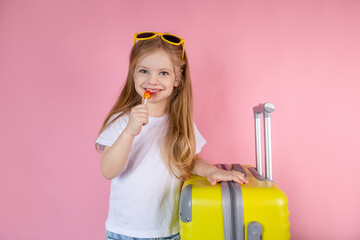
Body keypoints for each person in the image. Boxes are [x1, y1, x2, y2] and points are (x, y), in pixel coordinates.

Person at [96, 32, 248, 240]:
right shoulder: (122, 121)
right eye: (144, 71)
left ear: (178, 79)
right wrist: (129, 132)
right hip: (124, 233)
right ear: (133, 75)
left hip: (169, 232)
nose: (152, 80)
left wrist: (211, 171)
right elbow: (108, 170)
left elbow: (187, 161)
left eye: (164, 73)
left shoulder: (180, 123)